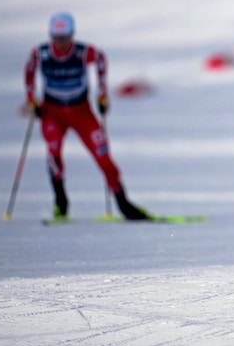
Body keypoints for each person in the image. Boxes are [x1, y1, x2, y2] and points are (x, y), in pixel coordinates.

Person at [24, 12, 150, 220]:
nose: (61, 43)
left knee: (103, 155)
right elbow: (29, 71)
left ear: (72, 35)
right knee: (53, 153)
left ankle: (123, 203)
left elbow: (100, 60)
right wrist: (31, 100)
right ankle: (61, 202)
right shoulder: (41, 53)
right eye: (57, 38)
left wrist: (102, 94)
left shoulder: (83, 52)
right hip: (52, 112)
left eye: (65, 37)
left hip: (81, 110)